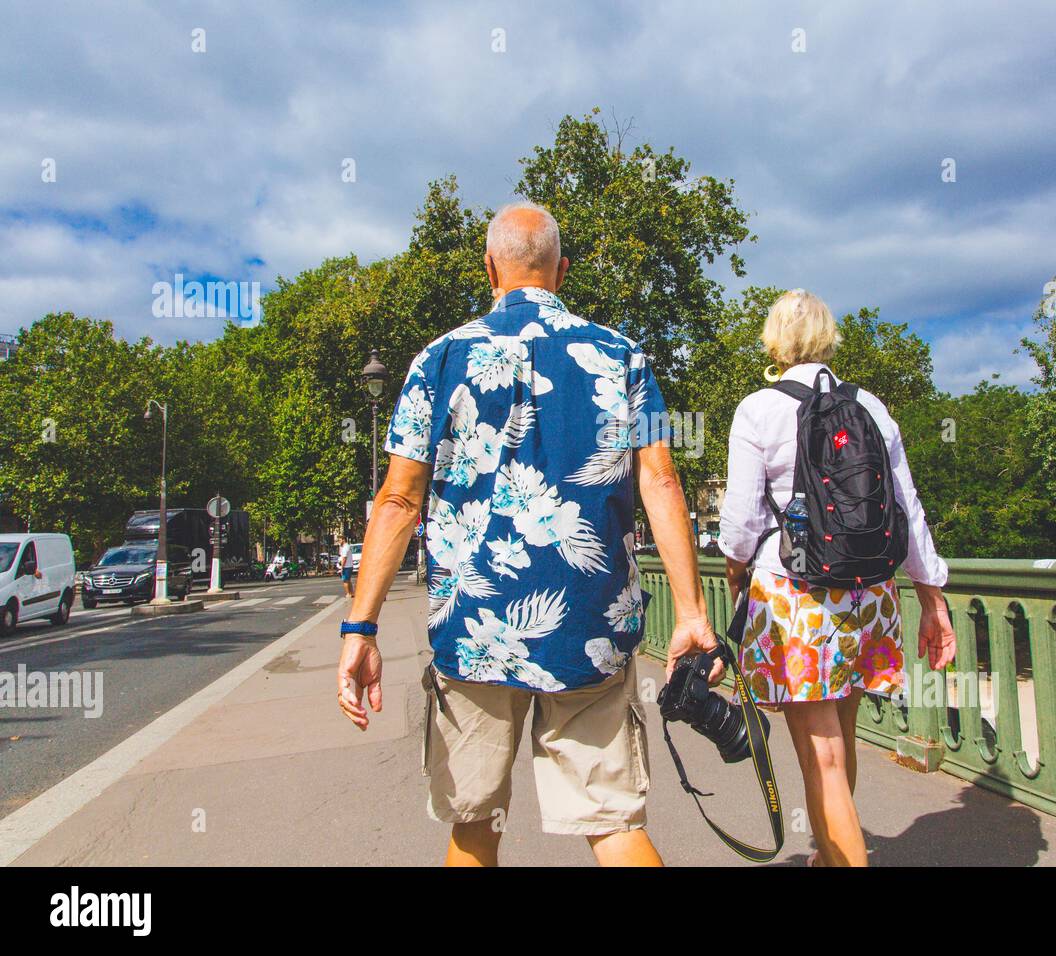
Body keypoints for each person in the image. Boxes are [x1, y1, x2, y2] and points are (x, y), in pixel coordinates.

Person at [335, 201, 719, 867]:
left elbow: (398, 500)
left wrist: (359, 629)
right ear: (561, 271)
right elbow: (660, 483)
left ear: (490, 268)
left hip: (473, 626)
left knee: (473, 827)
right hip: (589, 625)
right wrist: (691, 610)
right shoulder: (620, 355)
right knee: (615, 825)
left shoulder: (440, 358)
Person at [718, 288, 956, 867]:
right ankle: (831, 855)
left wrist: (735, 577)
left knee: (819, 753)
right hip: (869, 592)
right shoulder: (871, 407)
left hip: (796, 595)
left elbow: (741, 525)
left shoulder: (758, 409)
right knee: (841, 737)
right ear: (828, 336)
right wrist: (933, 599)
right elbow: (907, 509)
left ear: (774, 340)